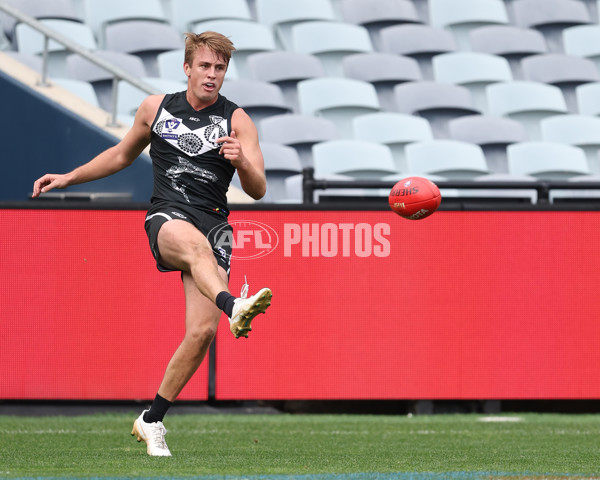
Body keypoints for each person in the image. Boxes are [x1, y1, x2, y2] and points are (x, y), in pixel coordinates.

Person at [32, 31, 273, 457]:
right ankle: (234, 304)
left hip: (215, 223)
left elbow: (258, 190)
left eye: (219, 68)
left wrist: (242, 162)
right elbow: (121, 155)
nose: (212, 75)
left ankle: (152, 419)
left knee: (200, 333)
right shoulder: (156, 108)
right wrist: (68, 177)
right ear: (187, 68)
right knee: (196, 252)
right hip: (168, 216)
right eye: (204, 66)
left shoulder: (238, 121)